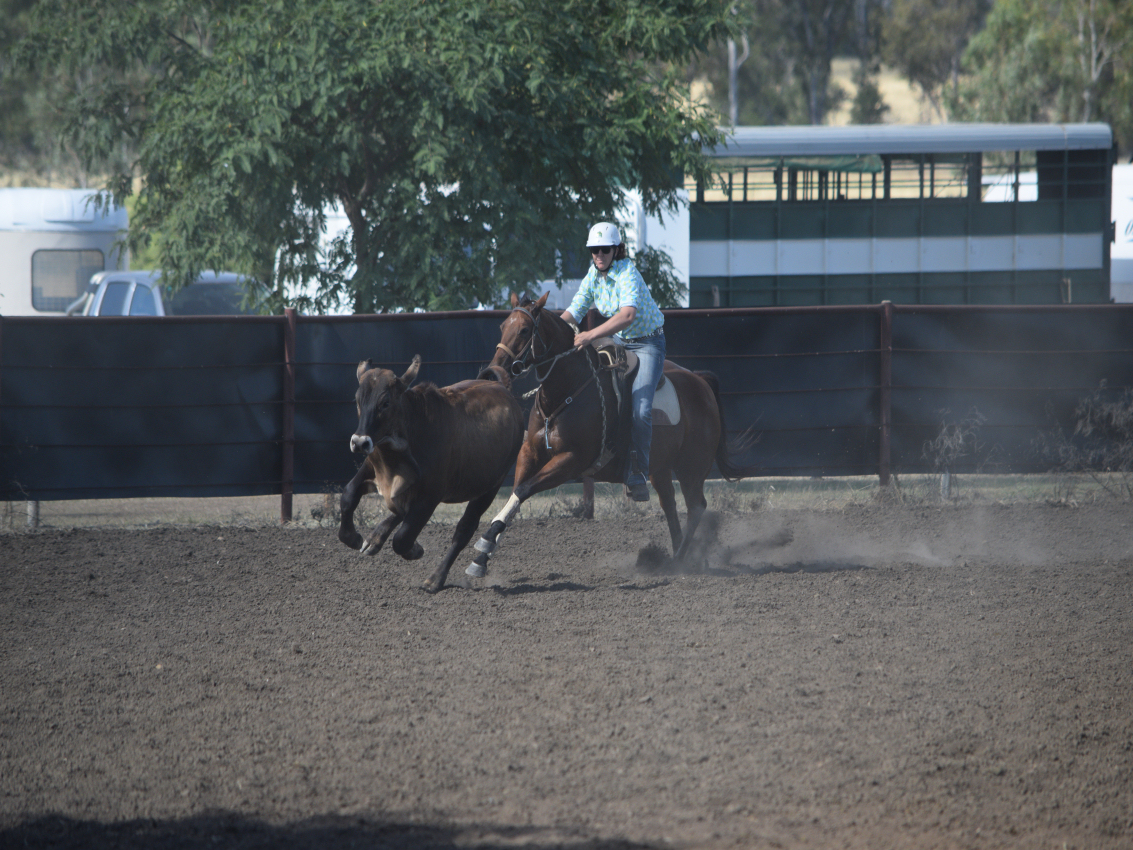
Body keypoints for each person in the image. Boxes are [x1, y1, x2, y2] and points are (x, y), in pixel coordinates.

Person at [561, 221, 665, 501]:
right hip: (619, 340)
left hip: (648, 344)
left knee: (641, 410)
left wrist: (589, 335)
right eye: (594, 250)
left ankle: (639, 472)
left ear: (616, 249)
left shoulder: (627, 272)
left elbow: (628, 315)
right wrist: (551, 329)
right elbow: (575, 310)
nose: (599, 255)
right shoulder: (593, 274)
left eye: (604, 249)